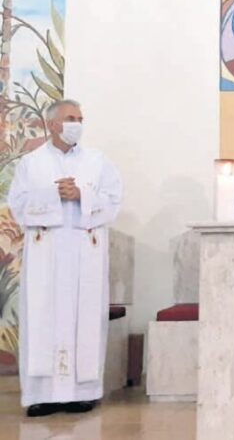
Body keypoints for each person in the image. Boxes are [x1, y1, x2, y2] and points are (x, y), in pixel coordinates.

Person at [9, 99, 123, 417]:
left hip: (85, 251)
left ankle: (82, 392)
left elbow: (114, 201)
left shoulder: (98, 162)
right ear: (53, 124)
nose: (78, 123)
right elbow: (17, 204)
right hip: (47, 252)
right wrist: (53, 195)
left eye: (81, 118)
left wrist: (82, 195)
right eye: (71, 118)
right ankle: (41, 395)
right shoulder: (31, 163)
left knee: (84, 316)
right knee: (42, 316)